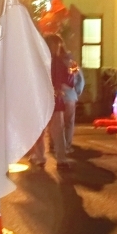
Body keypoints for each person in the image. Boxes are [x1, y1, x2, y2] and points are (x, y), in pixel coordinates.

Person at [30, 34, 73, 170]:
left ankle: (48, 157)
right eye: (55, 45)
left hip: (48, 101)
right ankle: (50, 158)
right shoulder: (49, 61)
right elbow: (69, 81)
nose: (57, 48)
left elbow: (68, 80)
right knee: (46, 131)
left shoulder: (48, 61)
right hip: (48, 101)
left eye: (58, 45)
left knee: (50, 131)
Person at [62, 50, 85, 153]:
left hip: (57, 96)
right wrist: (77, 92)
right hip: (70, 96)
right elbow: (81, 81)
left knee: (57, 123)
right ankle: (66, 146)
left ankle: (54, 144)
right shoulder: (74, 65)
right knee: (69, 123)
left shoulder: (55, 63)